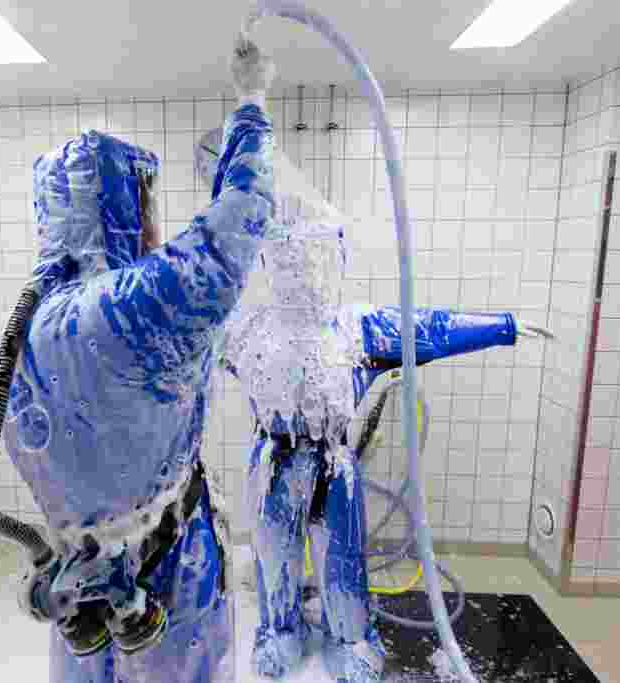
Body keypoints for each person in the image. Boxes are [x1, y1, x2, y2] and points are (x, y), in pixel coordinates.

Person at [197, 133, 553, 682]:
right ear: (272, 260)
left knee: (341, 558)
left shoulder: (357, 327)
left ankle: (350, 637)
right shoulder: (250, 330)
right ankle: (279, 631)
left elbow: (430, 328)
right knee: (274, 556)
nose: (306, 268)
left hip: (333, 461)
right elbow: (187, 331)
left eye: (318, 256)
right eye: (296, 257)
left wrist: (501, 327)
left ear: (336, 258)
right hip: (273, 460)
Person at [0, 40, 276, 683]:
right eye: (145, 205)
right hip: (169, 571)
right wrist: (252, 100)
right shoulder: (131, 309)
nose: (154, 226)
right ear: (119, 210)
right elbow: (240, 221)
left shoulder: (21, 327)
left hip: (77, 578)